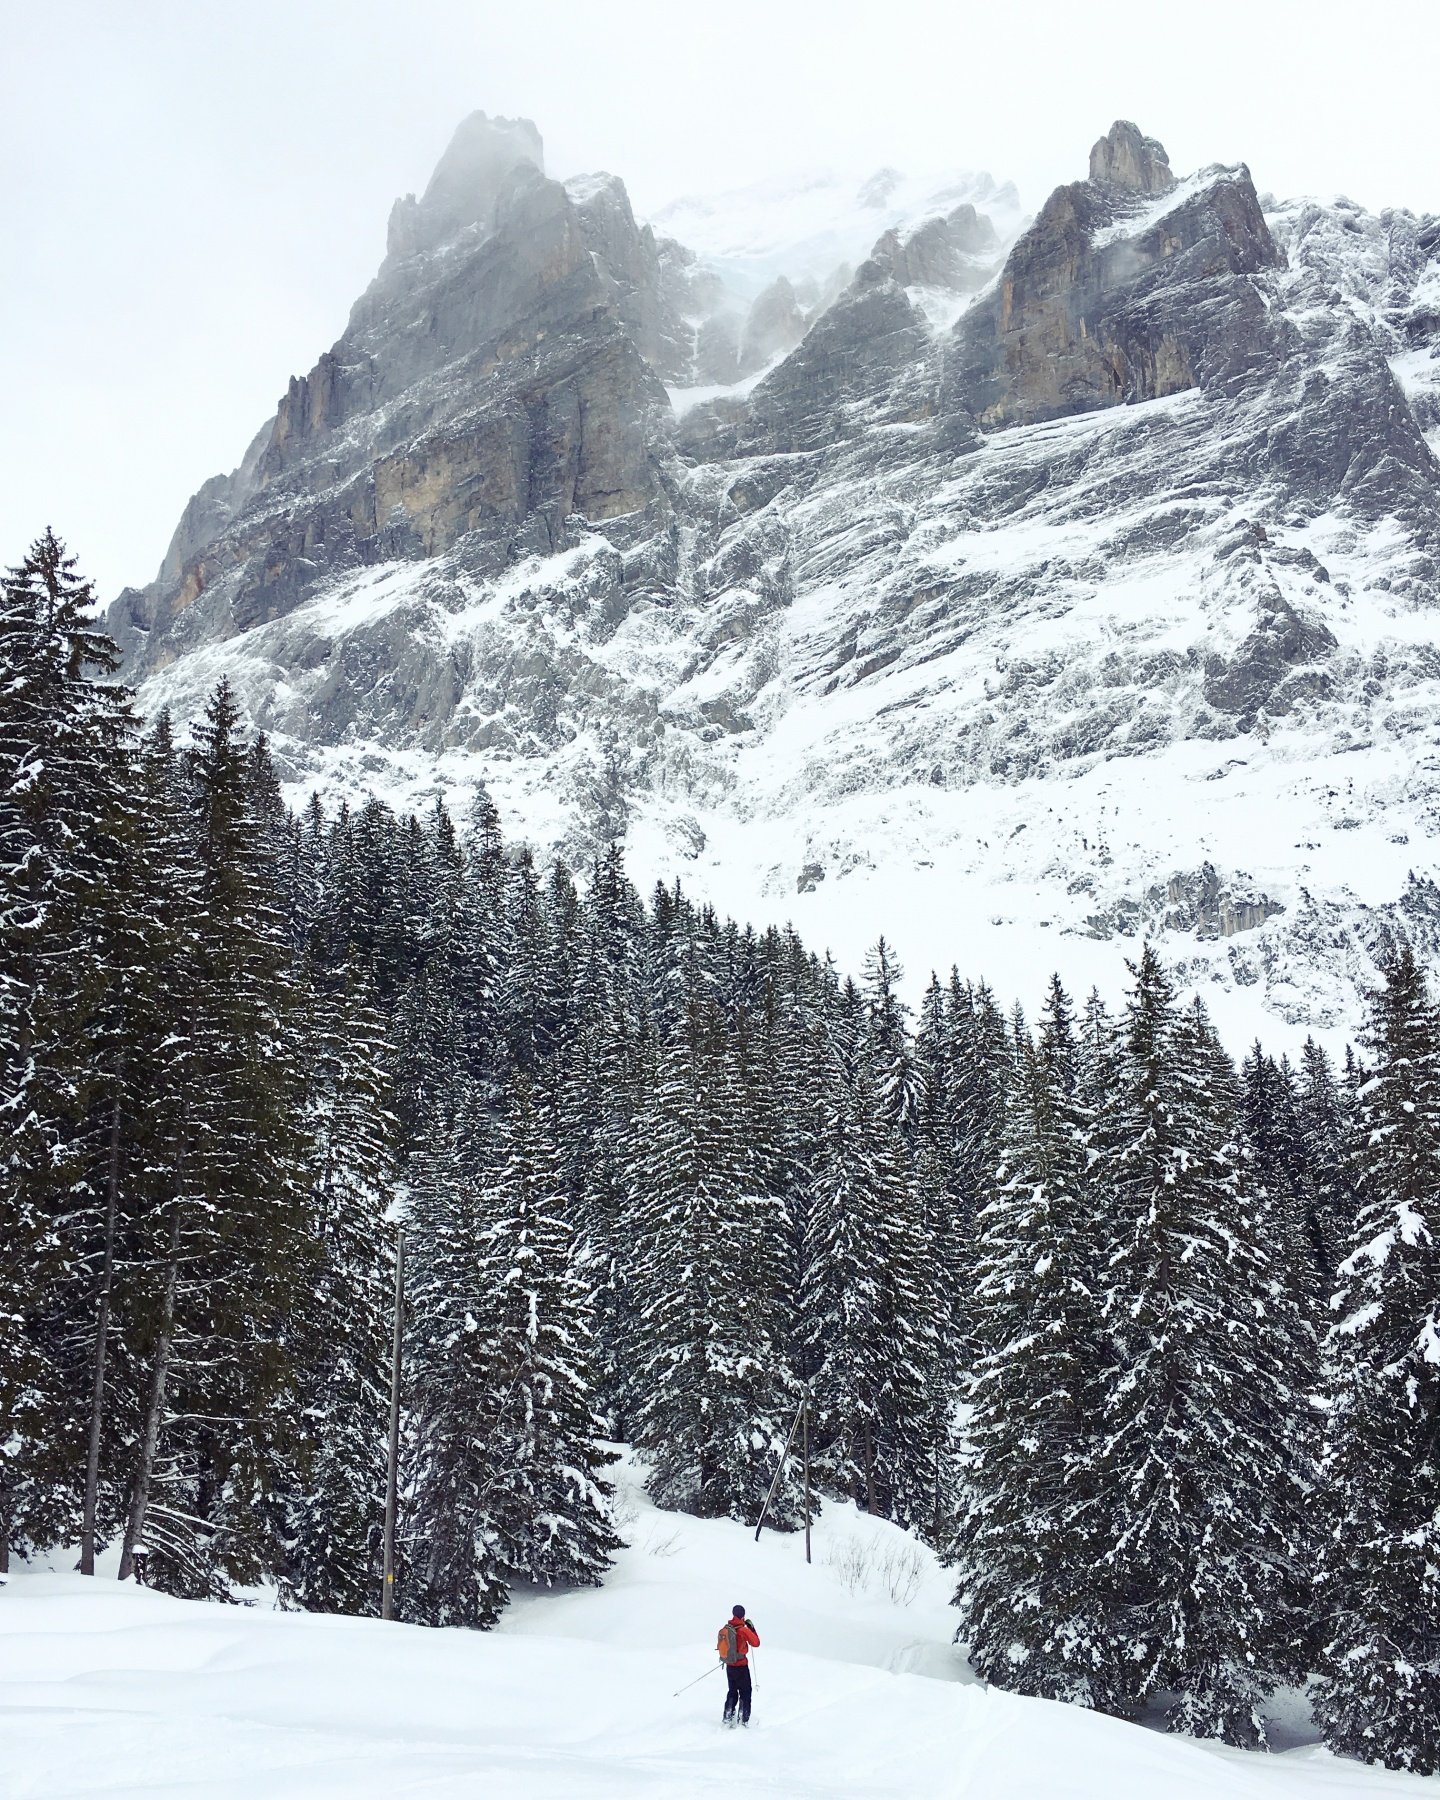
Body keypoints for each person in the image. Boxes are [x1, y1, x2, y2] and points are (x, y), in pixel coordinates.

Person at [717, 1603, 760, 1726]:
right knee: (745, 1692)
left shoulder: (727, 1628)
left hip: (730, 1666)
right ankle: (743, 1719)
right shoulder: (743, 1630)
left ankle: (727, 1716)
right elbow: (756, 1643)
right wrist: (752, 1628)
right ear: (743, 1616)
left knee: (732, 1691)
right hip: (741, 1666)